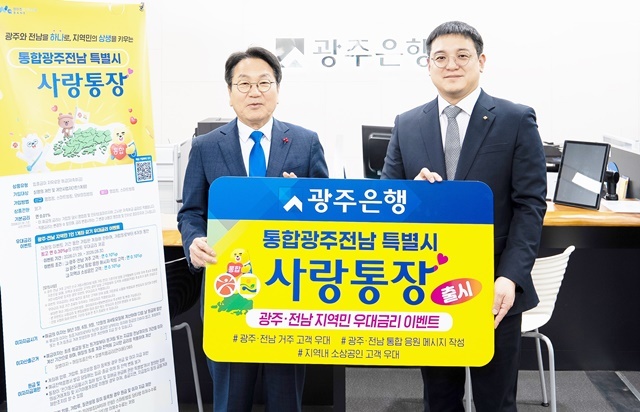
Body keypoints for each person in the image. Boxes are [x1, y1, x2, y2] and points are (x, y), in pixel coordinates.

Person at [381, 21, 547, 412]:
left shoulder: (515, 119)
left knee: (496, 401)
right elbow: (388, 202)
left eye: (462, 56)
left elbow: (530, 205)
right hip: (430, 285)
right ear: (428, 65)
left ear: (481, 61)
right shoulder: (408, 123)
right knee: (439, 399)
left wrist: (510, 277)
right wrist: (411, 195)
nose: (450, 65)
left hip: (494, 287)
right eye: (440, 57)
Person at [177, 46, 329, 412]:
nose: (254, 92)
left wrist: (303, 201)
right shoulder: (205, 147)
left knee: (285, 400)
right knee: (231, 398)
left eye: (264, 83)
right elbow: (192, 211)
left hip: (287, 291)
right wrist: (194, 241)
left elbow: (327, 213)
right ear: (229, 93)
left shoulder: (306, 142)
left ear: (278, 89)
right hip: (228, 291)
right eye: (243, 84)